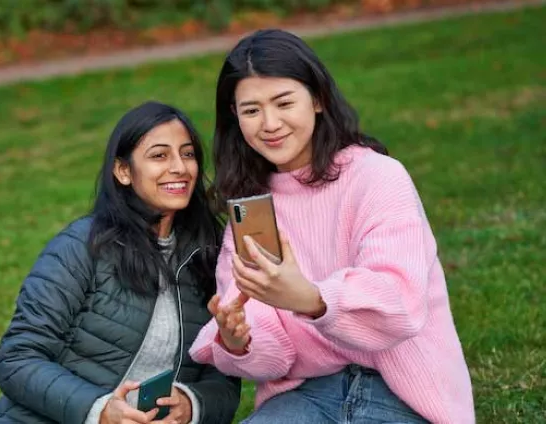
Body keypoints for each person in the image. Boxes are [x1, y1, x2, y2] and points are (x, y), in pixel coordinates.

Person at [189, 29, 475, 424]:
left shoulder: (376, 177)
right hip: (305, 395)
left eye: (284, 102)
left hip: (402, 392)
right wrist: (239, 340)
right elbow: (273, 353)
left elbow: (399, 304)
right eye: (251, 110)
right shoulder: (252, 211)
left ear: (318, 99)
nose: (269, 123)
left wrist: (311, 298)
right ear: (235, 118)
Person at [0, 101, 241, 424]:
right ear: (122, 171)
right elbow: (18, 358)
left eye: (187, 154)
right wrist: (99, 411)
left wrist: (192, 405)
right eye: (159, 155)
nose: (179, 167)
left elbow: (224, 377)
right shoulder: (81, 246)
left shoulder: (208, 255)